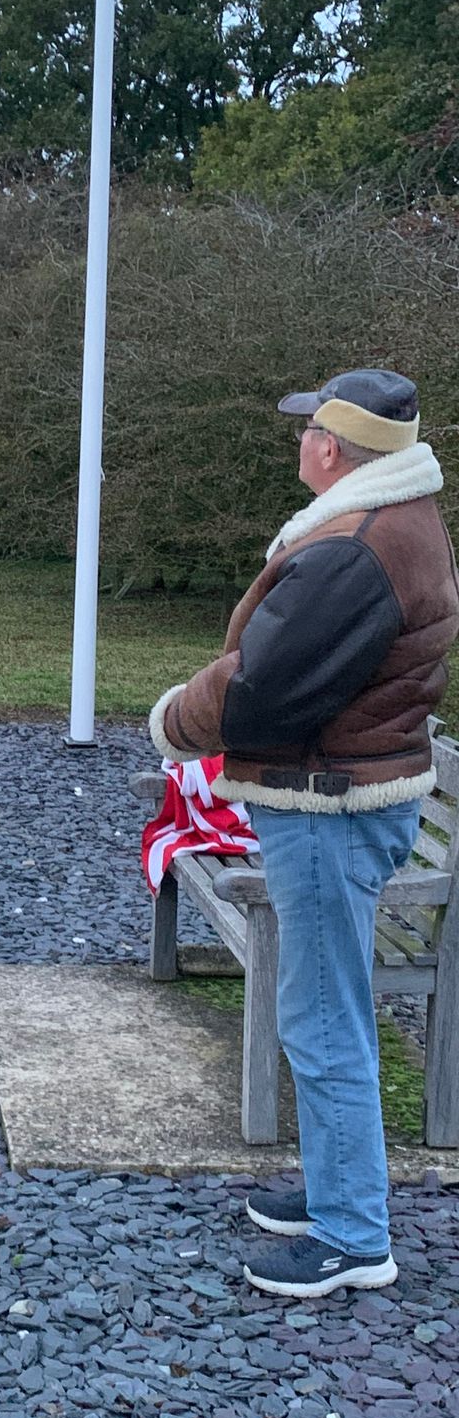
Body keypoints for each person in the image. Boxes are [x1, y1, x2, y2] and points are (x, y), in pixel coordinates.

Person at [150, 369, 459, 1298]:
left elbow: (263, 686)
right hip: (351, 792)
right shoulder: (392, 519)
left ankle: (353, 1236)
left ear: (332, 448)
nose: (297, 443)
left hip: (330, 804)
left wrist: (176, 719)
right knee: (323, 1011)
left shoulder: (354, 549)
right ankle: (339, 1189)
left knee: (324, 1020)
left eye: (305, 430)